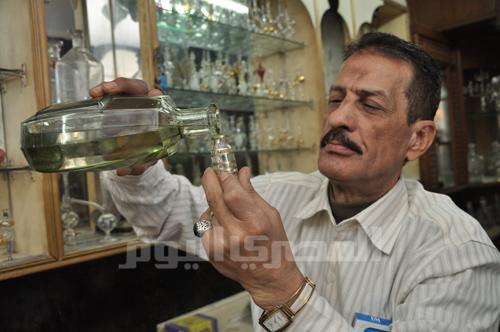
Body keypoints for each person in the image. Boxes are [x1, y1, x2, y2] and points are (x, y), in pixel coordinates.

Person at [91, 32, 500, 331]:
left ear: (418, 138)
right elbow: (175, 216)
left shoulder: (456, 255)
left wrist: (280, 288)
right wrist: (134, 155)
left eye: (370, 105)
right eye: (337, 99)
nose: (339, 118)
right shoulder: (275, 196)